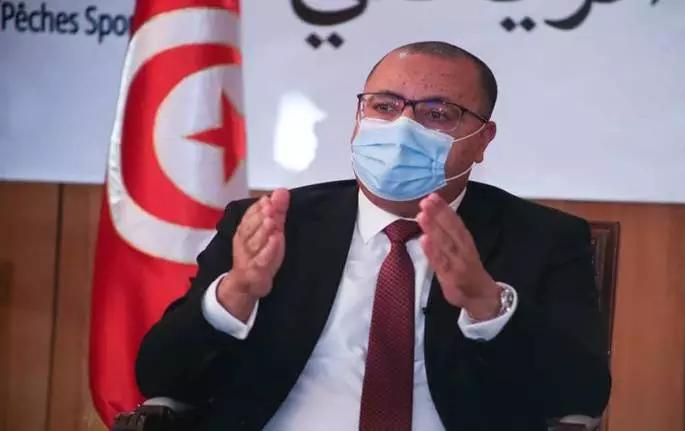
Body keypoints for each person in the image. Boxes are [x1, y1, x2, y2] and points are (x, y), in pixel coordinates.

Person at [136, 41, 611, 430]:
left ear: (482, 140)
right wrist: (236, 293)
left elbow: (581, 394)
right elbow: (160, 377)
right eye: (384, 106)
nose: (402, 127)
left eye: (437, 113)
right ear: (358, 119)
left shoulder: (542, 238)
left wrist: (489, 306)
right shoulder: (274, 224)